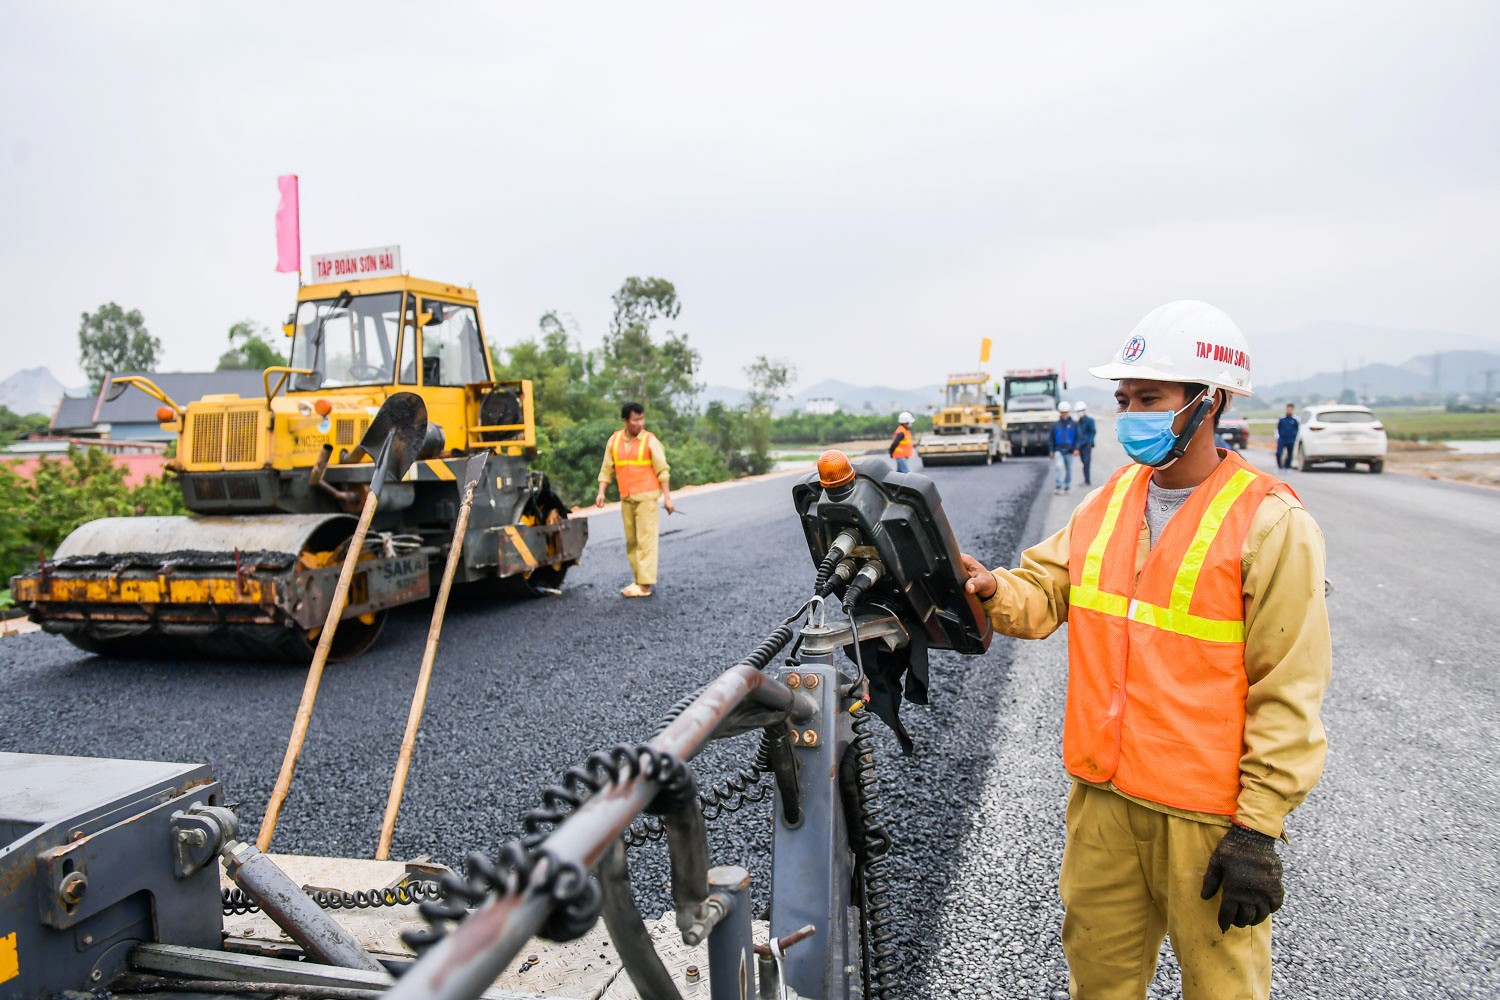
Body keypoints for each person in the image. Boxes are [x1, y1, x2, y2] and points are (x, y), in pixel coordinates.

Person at [957, 300, 1330, 1000]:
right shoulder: (1109, 502)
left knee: (1222, 987)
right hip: (1102, 803)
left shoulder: (1271, 522)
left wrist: (1258, 829)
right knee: (1098, 981)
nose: (1131, 413)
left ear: (1208, 402)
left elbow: (1290, 686)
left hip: (1206, 819)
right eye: (1124, 399)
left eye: (1149, 398)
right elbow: (1043, 593)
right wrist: (988, 590)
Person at [595, 401, 674, 597]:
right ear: (625, 421)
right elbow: (607, 468)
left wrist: (667, 498)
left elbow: (662, 470)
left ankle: (645, 585)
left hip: (647, 497)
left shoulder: (650, 441)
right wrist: (601, 491)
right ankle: (639, 580)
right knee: (632, 541)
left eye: (642, 418)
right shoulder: (614, 441)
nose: (640, 423)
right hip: (627, 497)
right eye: (635, 419)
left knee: (646, 540)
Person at [1051, 401, 1079, 494]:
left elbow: (1077, 437)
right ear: (1060, 412)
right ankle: (1058, 486)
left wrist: (1076, 449)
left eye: (1065, 412)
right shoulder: (1055, 425)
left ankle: (1066, 486)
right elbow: (1051, 439)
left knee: (1068, 469)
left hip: (1069, 450)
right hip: (1058, 449)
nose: (1064, 414)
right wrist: (1051, 450)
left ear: (1068, 412)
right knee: (1058, 466)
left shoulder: (1074, 424)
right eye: (1062, 412)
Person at [1074, 400, 1097, 485]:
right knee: (1083, 462)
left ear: (1084, 410)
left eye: (1081, 411)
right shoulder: (1078, 422)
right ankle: (1085, 479)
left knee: (1086, 463)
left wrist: (1089, 442)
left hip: (1087, 445)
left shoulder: (1090, 420)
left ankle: (1087, 480)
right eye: (1078, 411)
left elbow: (1093, 431)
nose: (1080, 412)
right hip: (1080, 445)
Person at [1277, 404, 1300, 470]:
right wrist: (1278, 436)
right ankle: (1280, 467)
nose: (1289, 410)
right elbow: (1277, 428)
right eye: (1288, 409)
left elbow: (1298, 429)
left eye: (1290, 409)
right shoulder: (1282, 418)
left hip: (1291, 439)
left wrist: (1295, 437)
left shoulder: (1295, 419)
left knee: (1289, 454)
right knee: (1279, 453)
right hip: (1282, 438)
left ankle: (1287, 467)